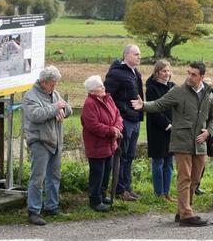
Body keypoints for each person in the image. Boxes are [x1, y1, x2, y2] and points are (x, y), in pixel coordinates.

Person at [132, 61, 213, 227]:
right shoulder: (178, 91)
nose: (189, 77)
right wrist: (143, 106)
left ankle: (183, 210)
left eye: (193, 74)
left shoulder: (210, 94)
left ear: (202, 77)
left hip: (200, 144)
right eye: (188, 73)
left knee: (195, 179)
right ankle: (186, 215)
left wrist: (209, 131)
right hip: (182, 141)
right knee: (184, 178)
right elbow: (159, 104)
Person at [23, 66, 72, 226]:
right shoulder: (30, 96)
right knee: (38, 177)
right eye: (52, 83)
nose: (54, 86)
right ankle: (34, 211)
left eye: (55, 83)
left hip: (56, 140)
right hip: (40, 141)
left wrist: (63, 109)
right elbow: (35, 115)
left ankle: (52, 206)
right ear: (43, 82)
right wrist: (54, 108)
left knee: (54, 176)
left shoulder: (54, 94)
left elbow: (68, 109)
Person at [104, 43, 144, 201]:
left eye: (139, 55)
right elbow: (107, 96)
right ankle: (119, 189)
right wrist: (123, 110)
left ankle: (127, 186)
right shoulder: (116, 73)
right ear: (126, 55)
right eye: (136, 54)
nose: (139, 57)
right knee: (121, 155)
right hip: (124, 119)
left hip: (135, 119)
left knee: (130, 155)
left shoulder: (136, 73)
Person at [81, 75, 124, 212]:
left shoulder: (108, 98)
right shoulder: (89, 104)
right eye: (100, 86)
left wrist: (117, 128)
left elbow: (117, 115)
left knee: (106, 172)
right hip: (96, 145)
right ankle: (94, 200)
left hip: (110, 143)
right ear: (92, 91)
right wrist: (111, 131)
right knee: (97, 174)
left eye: (102, 85)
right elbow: (92, 125)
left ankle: (102, 195)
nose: (103, 88)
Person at [145, 60, 176, 202]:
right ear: (157, 72)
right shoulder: (151, 88)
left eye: (168, 71)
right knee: (158, 163)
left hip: (172, 130)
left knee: (169, 163)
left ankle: (167, 192)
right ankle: (159, 194)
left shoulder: (173, 87)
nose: (167, 74)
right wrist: (167, 124)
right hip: (158, 129)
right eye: (164, 71)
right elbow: (153, 110)